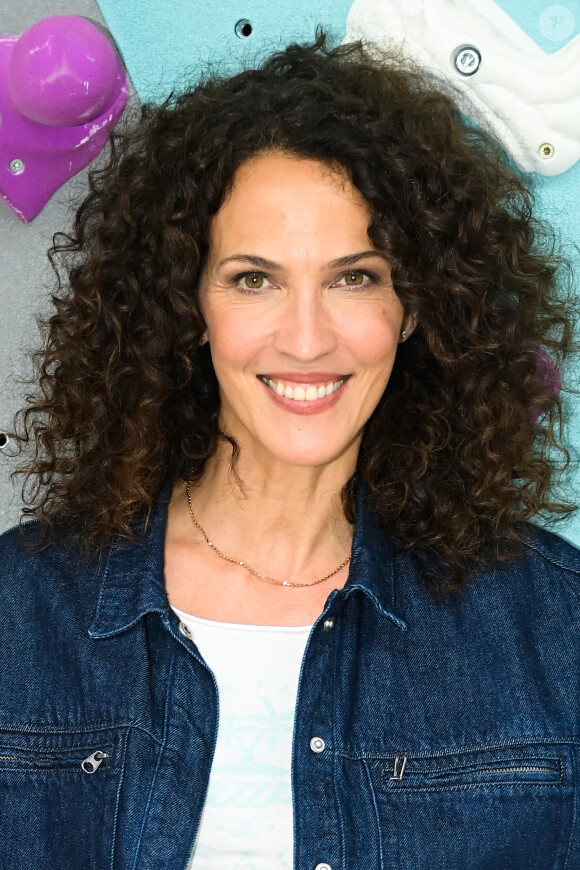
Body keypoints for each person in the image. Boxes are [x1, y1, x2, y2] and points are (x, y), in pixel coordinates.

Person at [1, 33, 579, 870]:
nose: (307, 338)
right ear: (188, 304)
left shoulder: (552, 629)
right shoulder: (22, 612)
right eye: (253, 278)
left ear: (414, 307)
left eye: (356, 276)